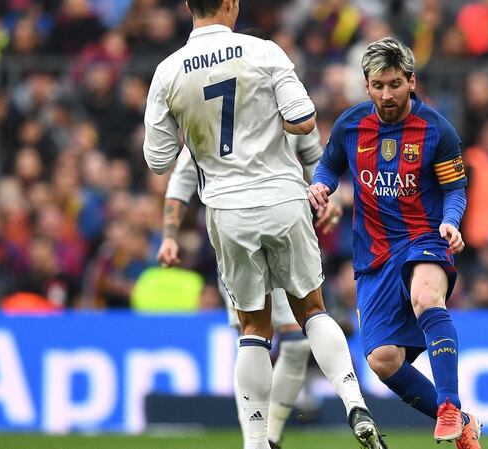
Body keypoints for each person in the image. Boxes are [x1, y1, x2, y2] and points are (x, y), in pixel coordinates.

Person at [142, 2, 386, 448]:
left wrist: (195, 130)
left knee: (253, 331)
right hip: (282, 198)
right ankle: (355, 403)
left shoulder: (168, 71)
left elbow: (159, 161)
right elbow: (303, 122)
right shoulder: (264, 52)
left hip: (228, 211)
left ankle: (257, 442)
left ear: (187, 7)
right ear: (232, 4)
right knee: (312, 311)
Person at [309, 37, 481, 449]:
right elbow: (330, 165)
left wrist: (451, 223)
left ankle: (450, 405)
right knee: (383, 361)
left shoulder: (437, 130)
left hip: (425, 236)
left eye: (395, 84)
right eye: (378, 85)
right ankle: (467, 424)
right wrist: (320, 185)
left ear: (411, 81)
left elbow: (455, 189)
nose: (387, 95)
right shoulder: (350, 125)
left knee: (426, 296)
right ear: (366, 85)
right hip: (373, 254)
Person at [157, 129, 342, 449]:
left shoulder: (288, 117)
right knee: (254, 339)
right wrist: (170, 235)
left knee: (297, 344)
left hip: (283, 239)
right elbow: (181, 179)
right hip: (238, 245)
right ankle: (253, 442)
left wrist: (330, 199)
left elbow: (314, 157)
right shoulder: (213, 122)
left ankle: (270, 435)